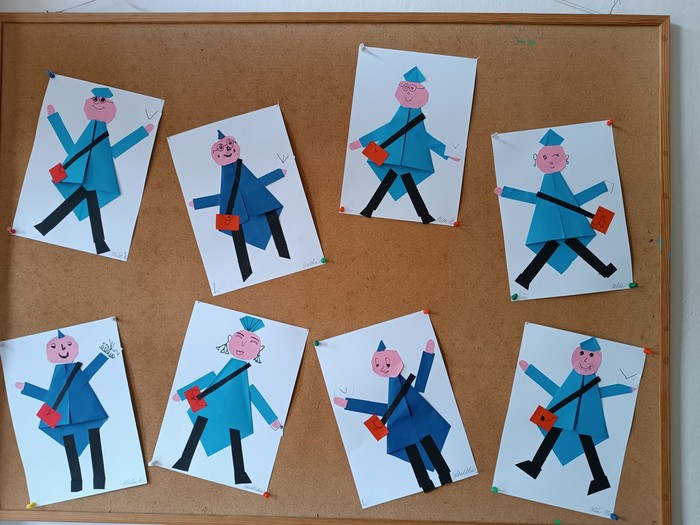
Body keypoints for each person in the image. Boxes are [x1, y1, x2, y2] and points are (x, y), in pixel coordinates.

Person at [35, 87, 154, 254]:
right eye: (95, 100)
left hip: (96, 176)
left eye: (103, 100)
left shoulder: (101, 133)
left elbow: (115, 150)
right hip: (86, 177)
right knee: (87, 204)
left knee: (81, 203)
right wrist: (54, 118)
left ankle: (48, 226)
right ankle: (98, 242)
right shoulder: (90, 132)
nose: (98, 103)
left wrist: (142, 133)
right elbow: (70, 146)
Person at [495, 128, 616, 289]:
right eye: (545, 157)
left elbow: (576, 200)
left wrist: (602, 187)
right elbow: (533, 198)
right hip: (549, 222)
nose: (551, 161)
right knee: (563, 245)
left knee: (560, 246)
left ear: (565, 158)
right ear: (537, 160)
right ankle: (526, 278)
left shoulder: (561, 184)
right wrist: (506, 192)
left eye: (556, 156)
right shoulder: (547, 185)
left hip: (567, 221)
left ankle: (525, 278)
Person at [516, 337, 636, 495]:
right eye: (582, 353)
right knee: (556, 437)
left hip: (584, 416)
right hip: (564, 414)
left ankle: (598, 478)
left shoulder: (590, 381)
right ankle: (536, 466)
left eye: (591, 355)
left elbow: (600, 393)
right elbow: (554, 389)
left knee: (582, 443)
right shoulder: (573, 379)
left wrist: (625, 389)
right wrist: (530, 371)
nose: (586, 359)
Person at [171, 315, 281, 485]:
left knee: (232, 435)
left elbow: (252, 393)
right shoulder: (227, 368)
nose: (242, 346)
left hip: (233, 407)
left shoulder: (243, 372)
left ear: (259, 350)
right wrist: (182, 393)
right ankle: (185, 460)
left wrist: (271, 418)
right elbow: (210, 378)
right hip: (213, 402)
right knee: (200, 428)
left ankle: (239, 473)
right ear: (230, 340)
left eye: (251, 344)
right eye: (239, 340)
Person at [334, 339, 452, 493]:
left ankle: (445, 475)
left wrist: (428, 355)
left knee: (430, 447)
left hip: (420, 419)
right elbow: (384, 408)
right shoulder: (392, 388)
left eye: (387, 363)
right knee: (414, 455)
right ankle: (426, 484)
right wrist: (349, 404)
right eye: (378, 365)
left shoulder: (404, 383)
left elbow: (420, 385)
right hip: (402, 427)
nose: (383, 367)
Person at [349, 66, 460, 224]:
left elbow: (425, 138)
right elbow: (384, 130)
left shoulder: (417, 120)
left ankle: (372, 208)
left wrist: (446, 154)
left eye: (412, 91)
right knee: (400, 183)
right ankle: (422, 215)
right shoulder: (400, 118)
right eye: (405, 90)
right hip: (391, 157)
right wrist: (361, 142)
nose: (408, 94)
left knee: (399, 182)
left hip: (404, 159)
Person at [15, 330, 111, 492]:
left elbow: (88, 374)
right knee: (71, 446)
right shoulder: (58, 374)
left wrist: (105, 355)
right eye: (54, 347)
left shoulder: (75, 370)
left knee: (93, 442)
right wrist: (27, 388)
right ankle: (77, 483)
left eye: (68, 345)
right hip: (64, 418)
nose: (63, 349)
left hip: (88, 413)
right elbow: (50, 396)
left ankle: (99, 481)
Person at [189, 132, 289, 282]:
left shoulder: (242, 170)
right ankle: (247, 271)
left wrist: (277, 174)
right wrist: (198, 203)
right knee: (239, 238)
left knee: (271, 220)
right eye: (221, 148)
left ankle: (283, 255)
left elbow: (255, 184)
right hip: (235, 211)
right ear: (215, 155)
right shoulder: (226, 177)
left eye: (229, 145)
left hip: (256, 205)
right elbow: (223, 197)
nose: (227, 149)